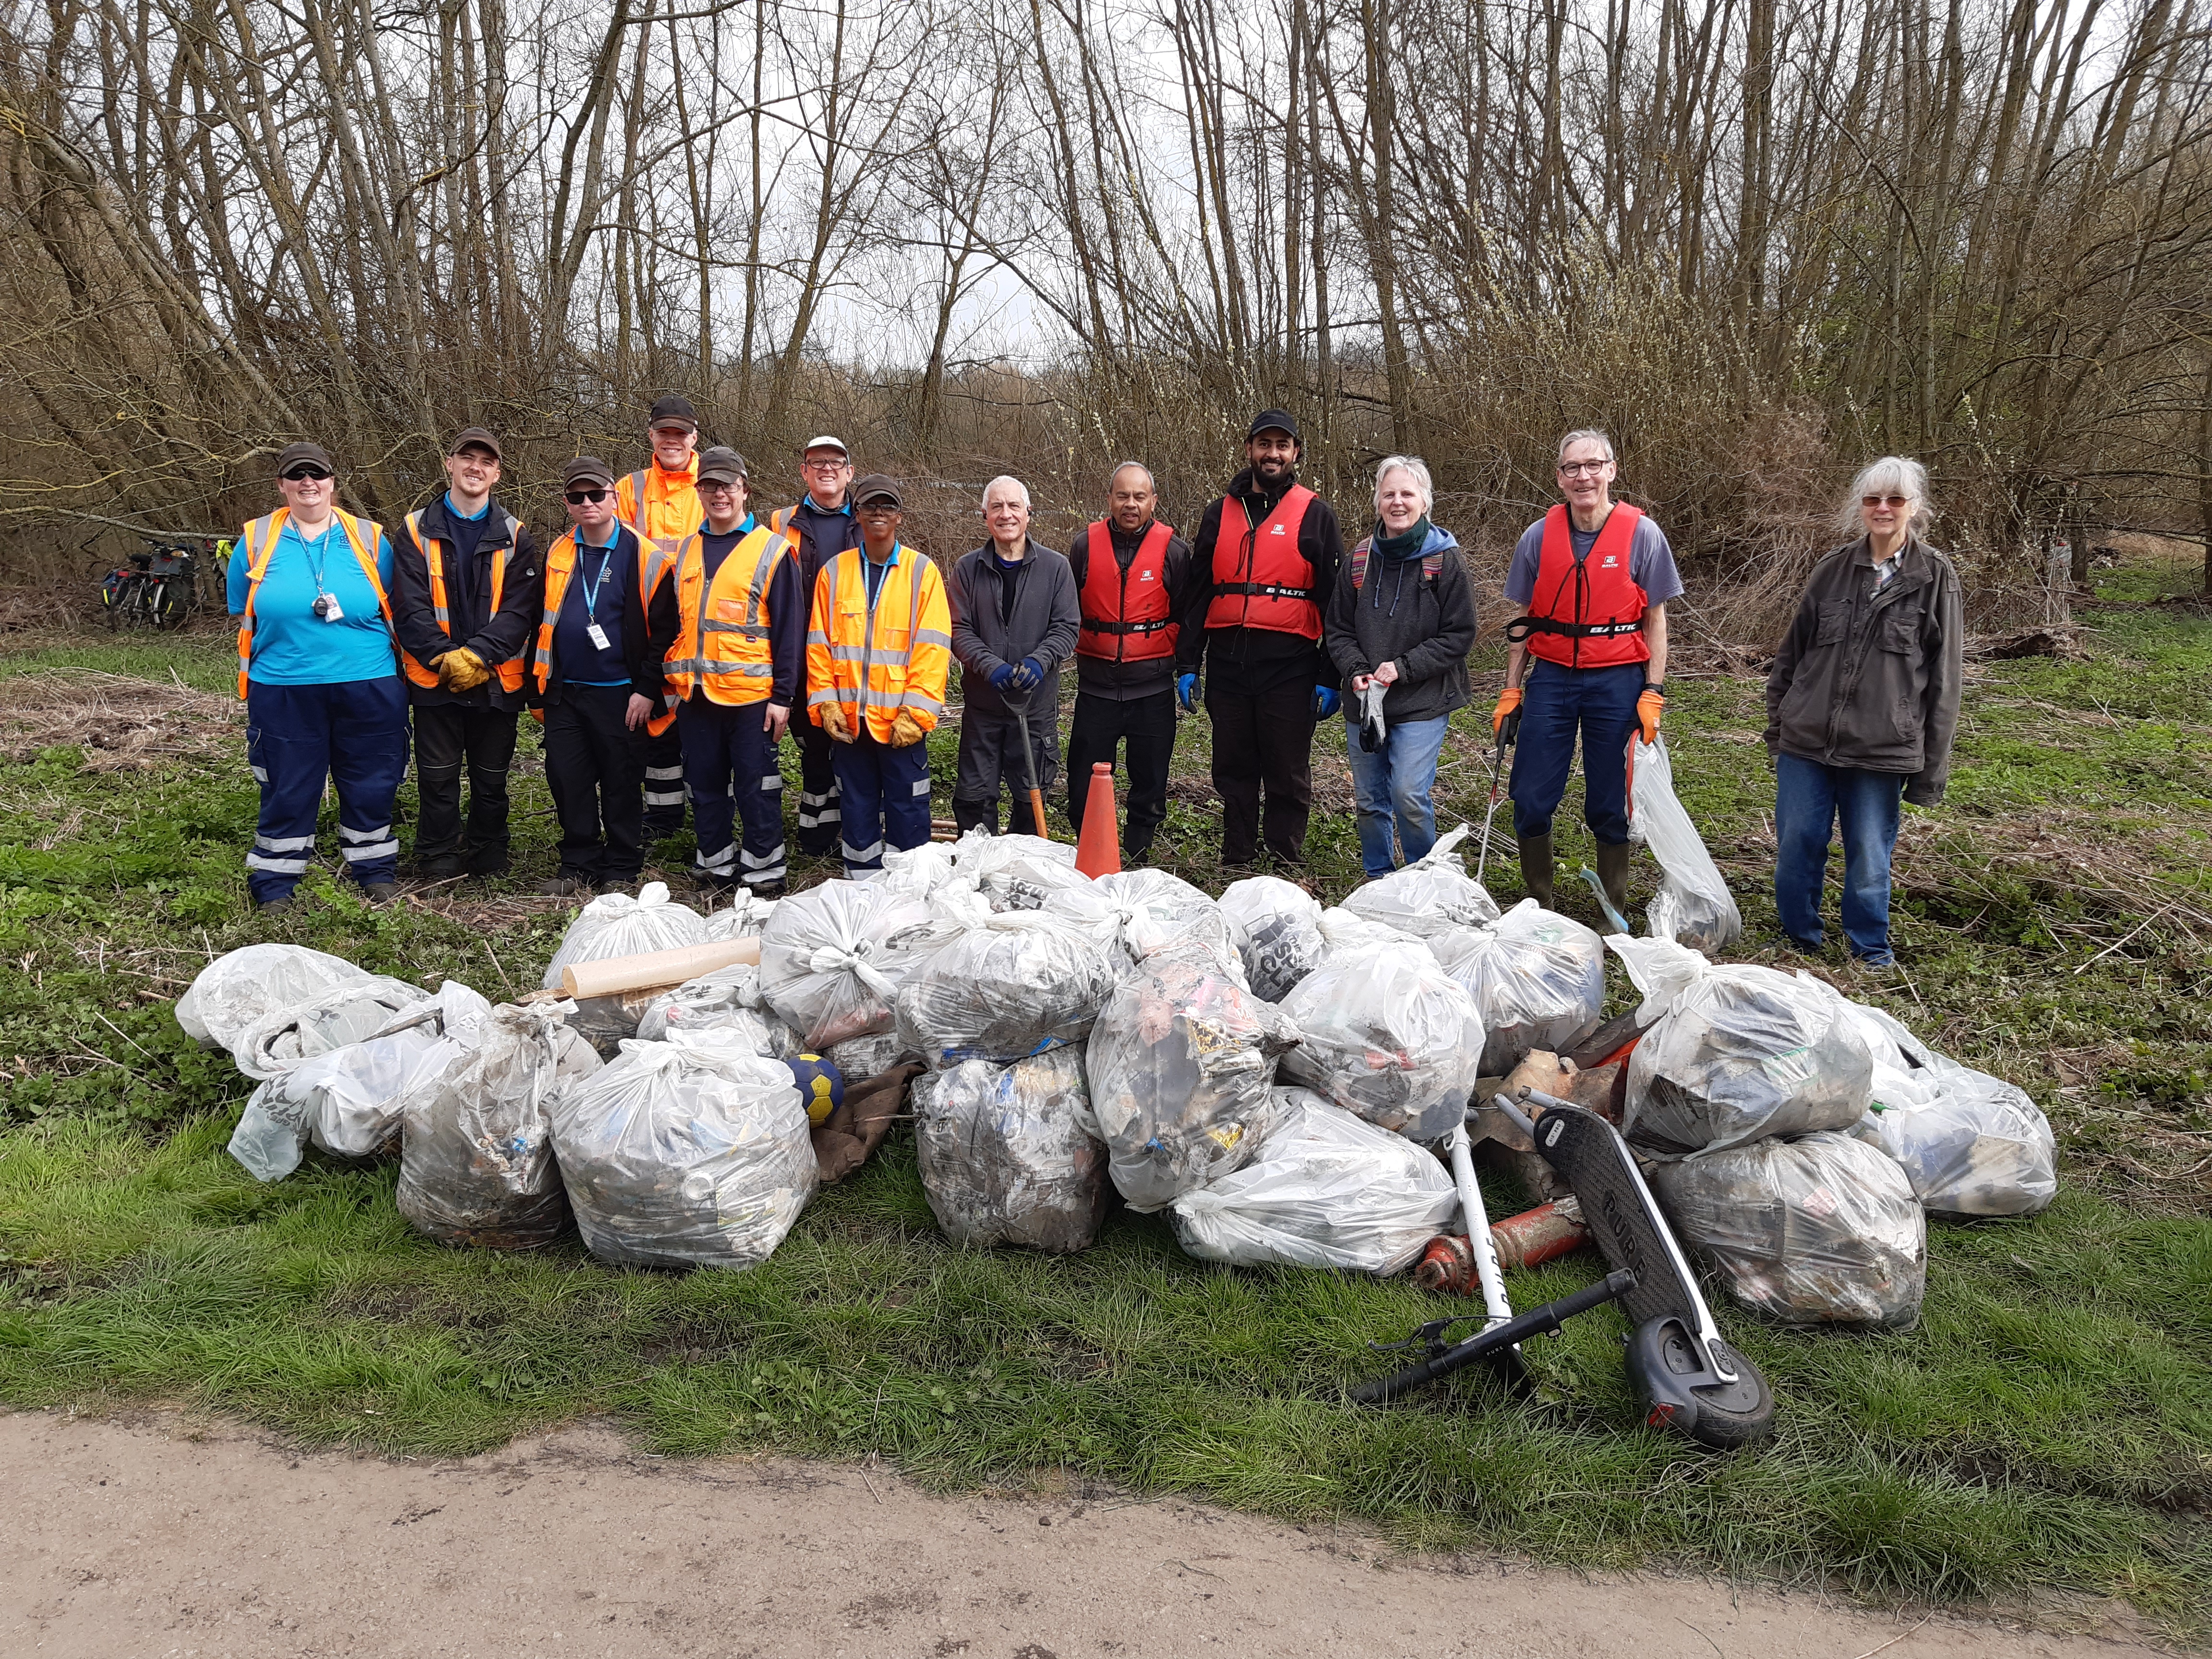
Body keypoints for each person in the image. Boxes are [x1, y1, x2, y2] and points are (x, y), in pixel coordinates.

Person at [1764, 457, 1962, 966]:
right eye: (1873, 499)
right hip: (1807, 741)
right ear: (1860, 506)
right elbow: (1791, 656)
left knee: (1870, 857)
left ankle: (1869, 950)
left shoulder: (1934, 577)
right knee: (1797, 845)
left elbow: (1944, 682)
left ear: (1914, 508)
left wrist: (1929, 772)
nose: (1883, 508)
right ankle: (1797, 940)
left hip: (1882, 748)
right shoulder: (1833, 569)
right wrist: (1778, 730)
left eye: (1895, 499)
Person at [1493, 428, 1683, 914]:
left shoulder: (1643, 535)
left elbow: (1656, 618)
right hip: (1553, 675)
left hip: (1617, 679)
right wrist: (1511, 691)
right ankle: (1538, 899)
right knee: (1532, 795)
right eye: (1573, 468)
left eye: (1593, 465)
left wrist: (1653, 690)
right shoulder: (1537, 537)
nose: (1584, 476)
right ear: (1560, 479)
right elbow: (1522, 618)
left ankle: (1612, 909)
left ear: (1611, 470)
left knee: (1609, 801)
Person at [227, 441, 409, 913]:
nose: (309, 483)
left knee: (373, 778)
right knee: (288, 782)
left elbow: (395, 602)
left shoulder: (370, 538)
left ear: (333, 481)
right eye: (297, 475)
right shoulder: (255, 540)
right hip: (284, 686)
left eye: (318, 474)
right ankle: (275, 884)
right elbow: (239, 607)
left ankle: (375, 872)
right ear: (281, 485)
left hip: (368, 682)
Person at [1175, 409, 1346, 870]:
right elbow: (1198, 592)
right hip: (1229, 663)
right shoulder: (1219, 513)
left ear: (1295, 454)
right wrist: (1188, 663)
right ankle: (1237, 857)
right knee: (1233, 766)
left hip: (1290, 664)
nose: (1273, 454)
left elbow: (1336, 603)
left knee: (1287, 770)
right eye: (1264, 445)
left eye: (1282, 446)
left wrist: (1331, 674)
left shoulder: (1316, 515)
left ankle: (1285, 860)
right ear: (1249, 449)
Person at [389, 427, 542, 880]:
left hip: (495, 680)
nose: (475, 468)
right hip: (434, 679)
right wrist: (445, 657)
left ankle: (489, 853)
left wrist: (477, 656)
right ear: (449, 465)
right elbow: (409, 606)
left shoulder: (517, 536)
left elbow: (520, 612)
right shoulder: (414, 529)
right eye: (467, 459)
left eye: (486, 462)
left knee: (491, 776)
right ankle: (439, 856)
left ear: (497, 474)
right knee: (437, 776)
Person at [656, 446, 806, 896]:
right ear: (698, 491)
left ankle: (764, 870)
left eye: (728, 486)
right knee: (704, 784)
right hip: (698, 696)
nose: (719, 494)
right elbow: (672, 625)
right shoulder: (686, 552)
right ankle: (716, 865)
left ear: (744, 490)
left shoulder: (773, 551)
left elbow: (790, 631)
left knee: (756, 787)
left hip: (752, 699)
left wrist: (783, 697)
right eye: (710, 485)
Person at [1324, 456, 1478, 878]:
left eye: (1407, 494)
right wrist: (1355, 669)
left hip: (1422, 700)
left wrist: (1403, 668)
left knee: (1409, 794)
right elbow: (1337, 628)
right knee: (1370, 800)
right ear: (1377, 502)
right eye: (1389, 494)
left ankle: (1423, 878)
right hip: (1365, 702)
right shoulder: (1359, 560)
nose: (1397, 503)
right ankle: (1378, 877)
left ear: (1425, 502)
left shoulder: (1444, 562)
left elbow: (1460, 635)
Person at [529, 457, 664, 897]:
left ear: (615, 496)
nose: (587, 503)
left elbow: (664, 633)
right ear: (567, 504)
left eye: (596, 494)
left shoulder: (645, 556)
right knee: (568, 777)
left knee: (621, 779)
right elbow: (541, 619)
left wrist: (647, 690)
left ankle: (623, 863)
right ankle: (578, 862)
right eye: (576, 497)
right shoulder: (559, 550)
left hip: (621, 693)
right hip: (566, 690)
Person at [806, 474, 951, 875]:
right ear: (857, 514)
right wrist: (826, 704)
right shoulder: (834, 574)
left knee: (908, 809)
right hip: (851, 724)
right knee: (857, 807)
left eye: (887, 507)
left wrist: (916, 714)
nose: (878, 514)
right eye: (870, 507)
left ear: (899, 517)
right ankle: (863, 888)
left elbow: (933, 649)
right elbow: (818, 646)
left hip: (901, 726)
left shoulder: (922, 573)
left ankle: (908, 895)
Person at [1065, 462, 1190, 863]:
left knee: (1150, 779)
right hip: (1096, 687)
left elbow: (1187, 615)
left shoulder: (1174, 550)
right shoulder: (1084, 546)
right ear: (1110, 500)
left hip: (1152, 688)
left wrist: (1188, 667)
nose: (1131, 504)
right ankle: (1090, 854)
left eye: (1140, 496)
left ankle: (1138, 855)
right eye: (1123, 496)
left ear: (1153, 501)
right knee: (1083, 778)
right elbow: (1066, 609)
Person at [946, 476, 1080, 835]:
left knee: (1030, 798)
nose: (1006, 515)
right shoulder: (967, 569)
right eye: (997, 507)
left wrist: (1039, 661)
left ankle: (1023, 870)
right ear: (985, 515)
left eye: (1014, 506)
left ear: (1028, 513)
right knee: (974, 799)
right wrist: (992, 668)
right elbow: (958, 629)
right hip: (984, 709)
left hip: (1033, 708)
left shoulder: (1055, 568)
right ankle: (978, 872)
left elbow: (1067, 626)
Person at [768, 435, 864, 860]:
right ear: (804, 471)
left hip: (857, 656)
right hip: (799, 652)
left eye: (835, 462)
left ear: (849, 472)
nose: (827, 468)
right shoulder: (778, 522)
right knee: (814, 745)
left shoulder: (871, 518)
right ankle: (816, 834)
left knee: (854, 741)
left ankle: (855, 825)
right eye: (816, 462)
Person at [614, 394, 703, 839]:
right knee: (655, 714)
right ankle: (663, 819)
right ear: (651, 436)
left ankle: (708, 808)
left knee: (701, 716)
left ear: (693, 437)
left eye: (680, 434)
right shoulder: (629, 487)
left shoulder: (715, 482)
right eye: (663, 433)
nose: (672, 441)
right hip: (645, 617)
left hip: (700, 620)